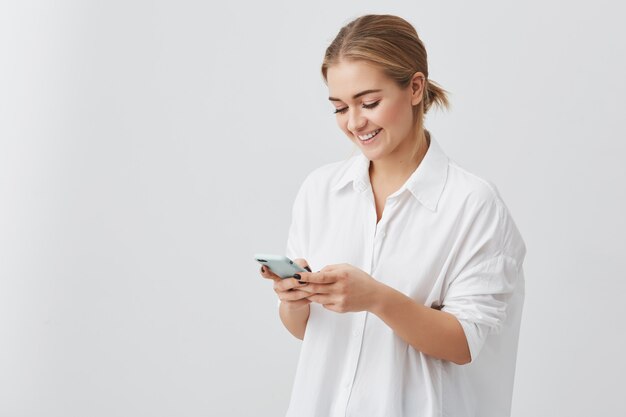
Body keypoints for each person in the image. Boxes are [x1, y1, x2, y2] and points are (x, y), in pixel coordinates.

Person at [260, 14, 526, 417]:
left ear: (415, 87)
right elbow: (308, 332)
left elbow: (465, 344)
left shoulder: (472, 203)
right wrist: (295, 300)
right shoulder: (320, 191)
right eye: (339, 108)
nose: (354, 122)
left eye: (369, 103)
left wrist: (376, 298)